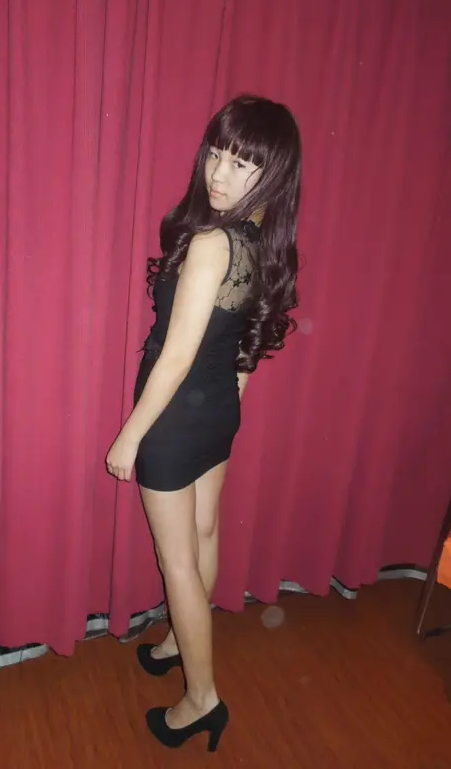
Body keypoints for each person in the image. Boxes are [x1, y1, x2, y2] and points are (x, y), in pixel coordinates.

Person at [106, 94, 302, 751]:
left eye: (242, 163)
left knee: (178, 563)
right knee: (205, 532)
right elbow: (247, 343)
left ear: (271, 173)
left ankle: (201, 699)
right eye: (217, 153)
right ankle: (175, 642)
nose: (220, 172)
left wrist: (130, 436)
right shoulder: (262, 239)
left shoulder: (215, 243)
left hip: (173, 420)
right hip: (217, 409)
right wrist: (227, 405)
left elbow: (176, 354)